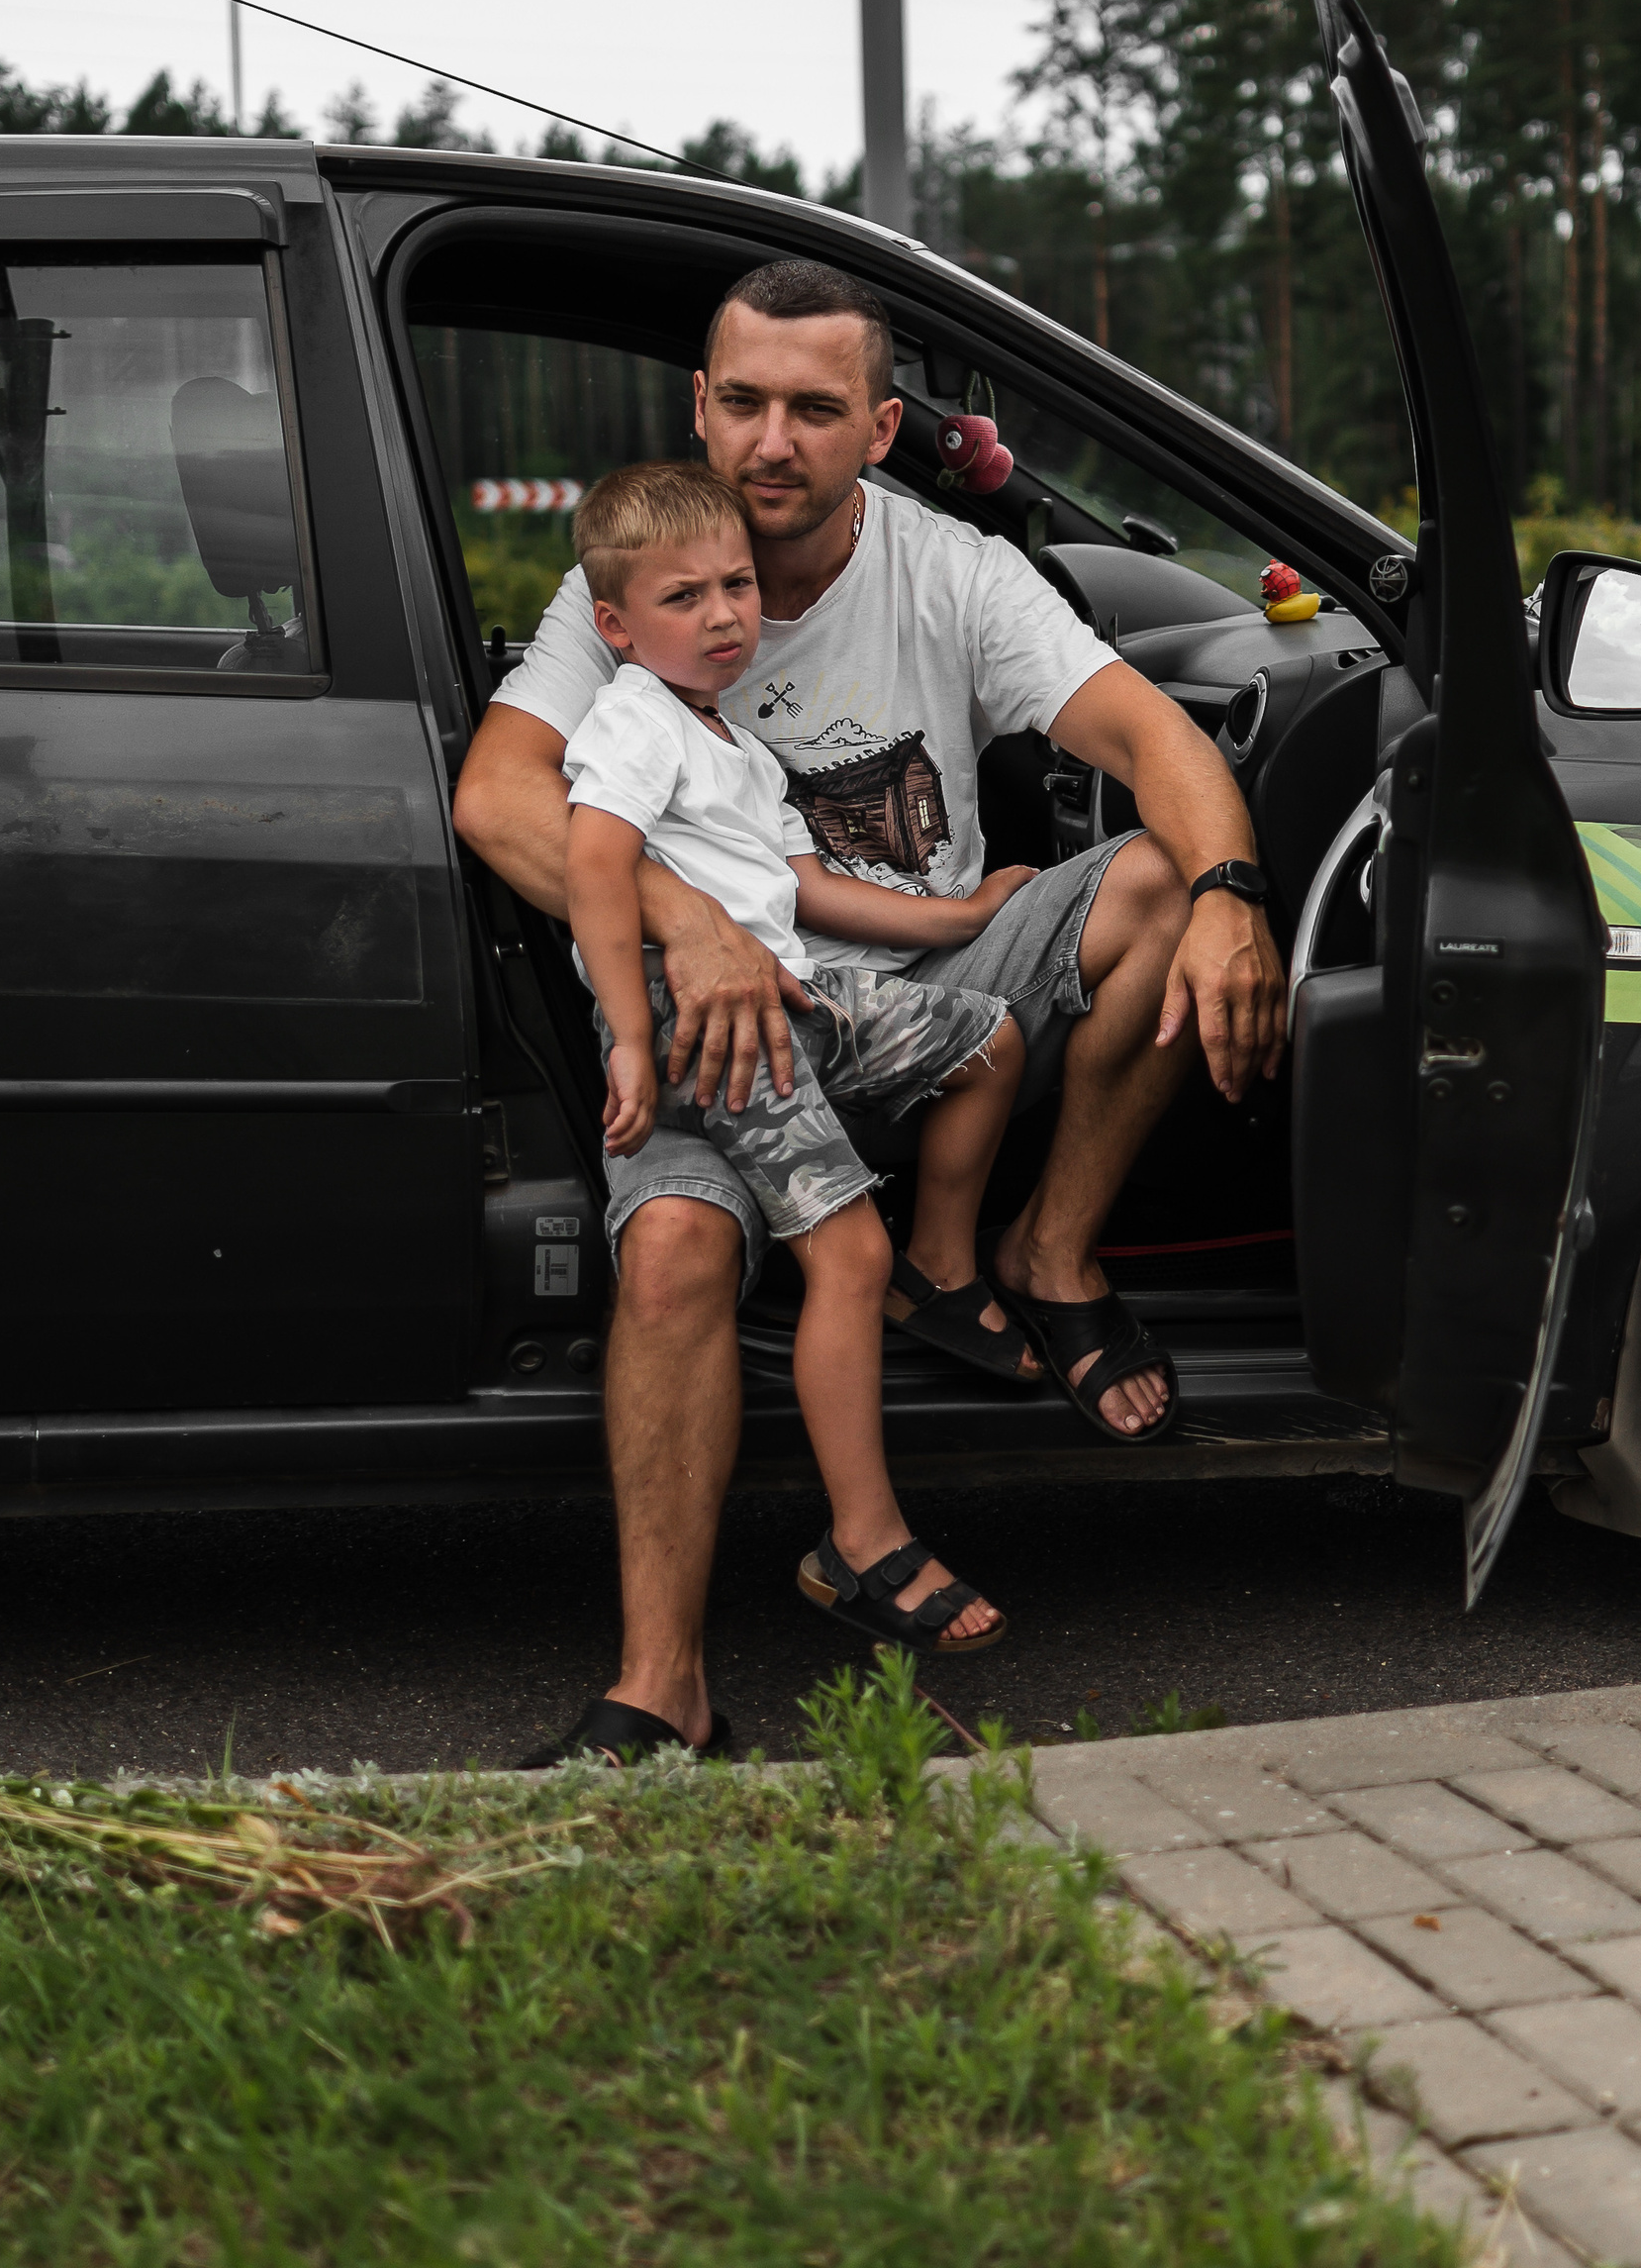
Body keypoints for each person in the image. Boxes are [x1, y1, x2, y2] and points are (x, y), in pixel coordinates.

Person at [454, 256, 1287, 1759]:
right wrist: (692, 924)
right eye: (744, 402)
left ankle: (1047, 1255)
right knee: (675, 1253)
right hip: (731, 1032)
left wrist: (1234, 891)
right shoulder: (631, 586)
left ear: (882, 429)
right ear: (699, 405)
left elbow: (1152, 736)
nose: (771, 442)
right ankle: (662, 1685)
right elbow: (498, 798)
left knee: (1166, 880)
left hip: (930, 995)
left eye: (816, 410)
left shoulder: (951, 571)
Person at [553, 462, 1026, 1754]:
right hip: (708, 1023)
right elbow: (594, 864)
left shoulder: (737, 745)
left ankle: (942, 1262)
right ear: (616, 625)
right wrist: (634, 1038)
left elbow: (806, 892)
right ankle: (864, 1539)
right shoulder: (635, 720)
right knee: (845, 1253)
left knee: (989, 1037)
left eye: (737, 587)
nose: (723, 615)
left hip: (792, 997)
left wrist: (961, 918)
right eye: (685, 597)